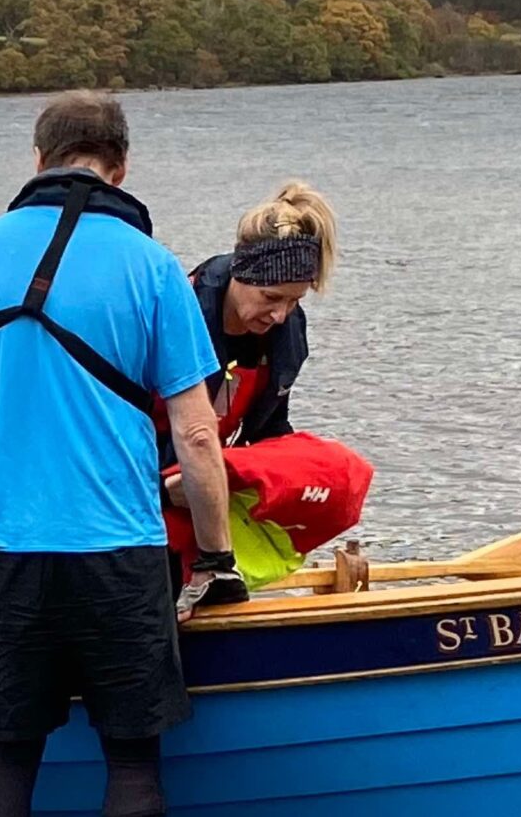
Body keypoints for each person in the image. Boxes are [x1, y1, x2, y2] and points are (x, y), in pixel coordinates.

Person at [0, 91, 244, 817]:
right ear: (120, 165)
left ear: (38, 159)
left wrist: (2, 449)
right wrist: (215, 552)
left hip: (8, 549)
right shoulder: (151, 264)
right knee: (131, 751)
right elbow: (198, 435)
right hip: (119, 553)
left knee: (9, 747)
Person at [158, 182, 371, 590]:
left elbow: (272, 431)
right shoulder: (181, 315)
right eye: (271, 297)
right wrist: (169, 490)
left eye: (294, 301)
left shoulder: (287, 330)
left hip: (219, 472)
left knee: (343, 471)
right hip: (156, 480)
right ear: (241, 274)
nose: (279, 315)